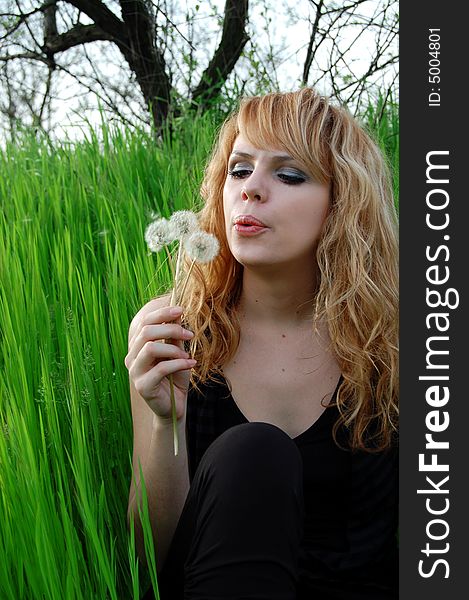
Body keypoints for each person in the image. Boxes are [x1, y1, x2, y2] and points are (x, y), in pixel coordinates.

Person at [125, 88, 399, 600]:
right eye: (239, 169)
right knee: (254, 452)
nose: (250, 189)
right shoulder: (177, 336)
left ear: (344, 203)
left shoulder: (393, 345)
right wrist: (167, 423)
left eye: (289, 174)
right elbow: (149, 564)